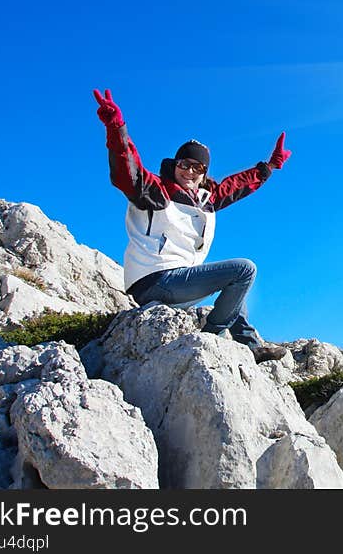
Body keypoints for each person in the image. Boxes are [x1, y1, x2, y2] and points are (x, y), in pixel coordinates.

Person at [93, 88, 291, 363]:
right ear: (175, 164)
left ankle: (251, 345)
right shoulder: (154, 191)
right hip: (155, 281)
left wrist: (269, 167)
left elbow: (236, 186)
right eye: (185, 164)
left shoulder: (205, 200)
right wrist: (116, 129)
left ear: (204, 174)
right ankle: (210, 337)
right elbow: (127, 171)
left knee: (236, 284)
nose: (190, 171)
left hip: (179, 285)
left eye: (198, 168)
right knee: (244, 269)